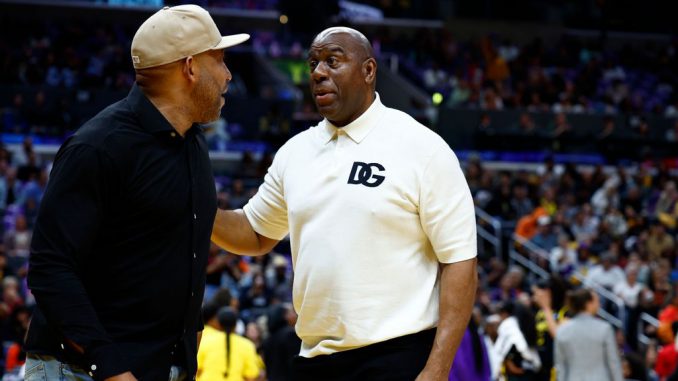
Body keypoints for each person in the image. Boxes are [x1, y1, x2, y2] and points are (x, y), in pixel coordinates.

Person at [212, 26, 478, 381]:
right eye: (313, 63)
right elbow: (255, 233)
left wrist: (437, 368)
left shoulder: (420, 147)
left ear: (368, 71)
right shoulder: (295, 153)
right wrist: (196, 210)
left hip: (397, 355)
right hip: (314, 358)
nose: (319, 72)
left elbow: (460, 261)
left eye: (333, 61)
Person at [24, 5, 249, 381]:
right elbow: (50, 268)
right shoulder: (97, 147)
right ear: (190, 67)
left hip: (159, 368)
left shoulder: (193, 142)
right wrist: (109, 366)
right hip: (81, 371)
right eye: (221, 60)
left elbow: (185, 251)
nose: (227, 75)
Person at [554, 288, 623, 381]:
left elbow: (560, 367)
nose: (600, 304)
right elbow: (613, 363)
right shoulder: (604, 328)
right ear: (588, 303)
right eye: (597, 301)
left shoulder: (562, 330)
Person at [196, 305, 261, 381]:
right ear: (236, 325)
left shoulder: (206, 341)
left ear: (218, 323)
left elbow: (197, 368)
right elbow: (251, 375)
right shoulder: (247, 345)